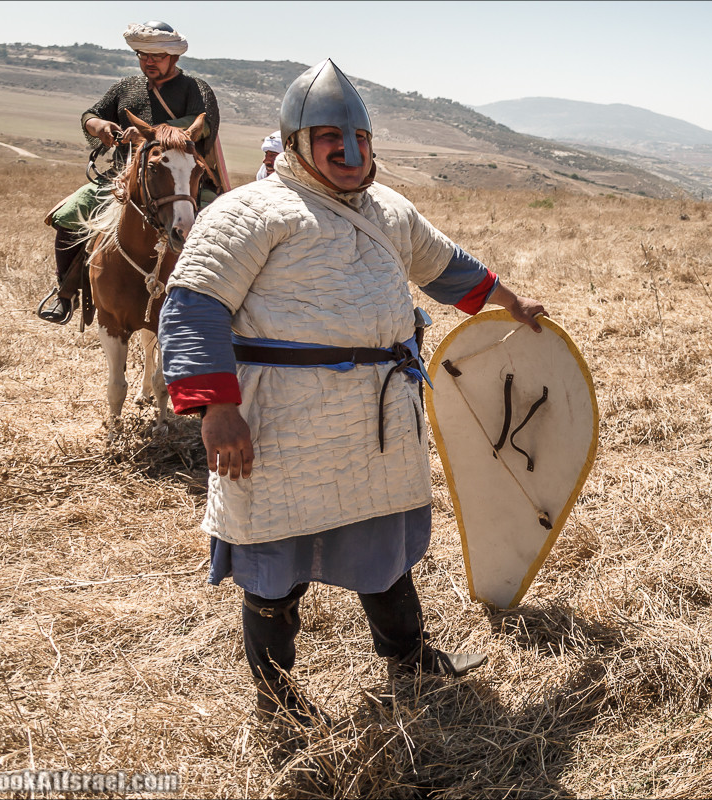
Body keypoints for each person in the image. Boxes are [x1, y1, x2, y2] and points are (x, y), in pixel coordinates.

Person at [159, 59, 547, 729]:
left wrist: (508, 301)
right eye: (331, 139)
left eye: (361, 140)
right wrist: (217, 409)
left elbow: (443, 266)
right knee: (274, 565)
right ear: (298, 143)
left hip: (374, 420)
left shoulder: (388, 209)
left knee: (382, 550)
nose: (349, 152)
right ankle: (277, 700)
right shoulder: (247, 212)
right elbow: (192, 307)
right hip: (279, 423)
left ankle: (411, 658)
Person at [37, 21, 221, 325]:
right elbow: (91, 113)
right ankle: (65, 292)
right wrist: (98, 126)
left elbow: (203, 123)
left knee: (219, 227)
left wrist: (151, 132)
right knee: (68, 215)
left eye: (157, 56)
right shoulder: (126, 87)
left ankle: (214, 300)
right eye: (142, 56)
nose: (148, 62)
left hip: (182, 179)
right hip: (125, 177)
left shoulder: (195, 88)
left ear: (173, 58)